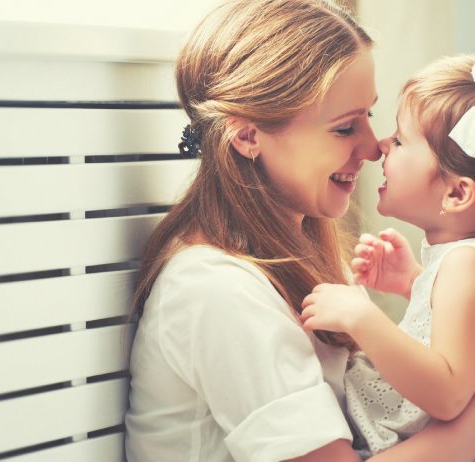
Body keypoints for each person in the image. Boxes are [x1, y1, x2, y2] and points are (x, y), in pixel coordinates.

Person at [125, 0, 475, 460]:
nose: (373, 148)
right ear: (248, 137)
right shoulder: (218, 290)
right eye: (345, 127)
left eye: (369, 116)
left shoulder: (306, 260)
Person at [301, 54, 475, 459]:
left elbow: (448, 394)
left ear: (456, 194)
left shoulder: (464, 265)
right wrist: (413, 282)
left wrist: (361, 319)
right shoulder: (457, 262)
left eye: (399, 140)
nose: (381, 146)